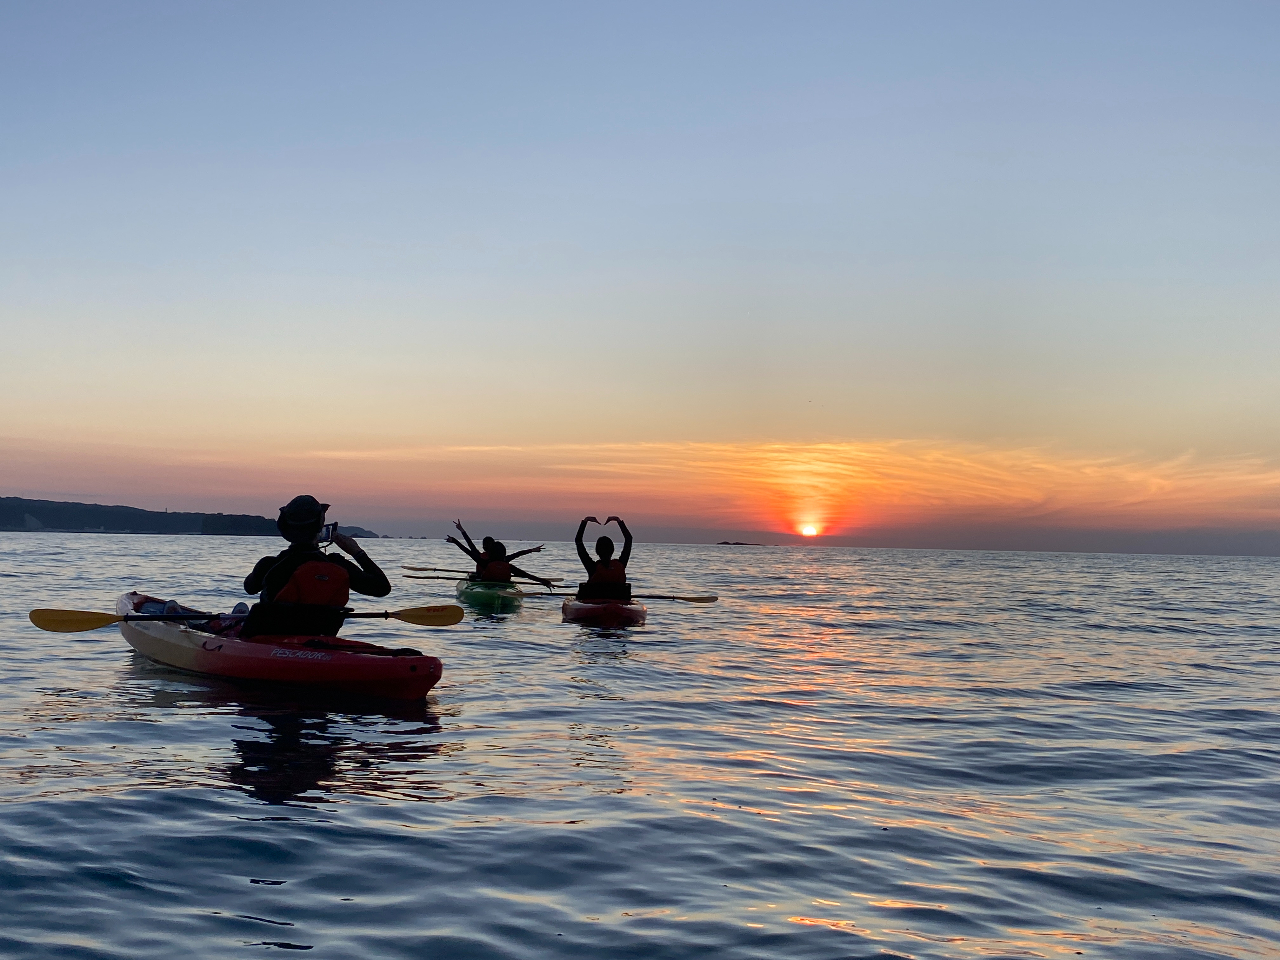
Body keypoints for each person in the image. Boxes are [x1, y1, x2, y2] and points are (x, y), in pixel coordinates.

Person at [241, 495, 391, 639]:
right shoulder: (337, 565)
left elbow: (249, 587)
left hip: (268, 641)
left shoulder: (269, 565)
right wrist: (357, 552)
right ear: (320, 526)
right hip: (317, 641)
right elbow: (382, 588)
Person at [445, 520, 553, 588]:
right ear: (503, 553)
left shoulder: (483, 562)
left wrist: (455, 540)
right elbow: (527, 575)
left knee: (475, 577)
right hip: (503, 586)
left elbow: (468, 549)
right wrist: (544, 582)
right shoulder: (507, 563)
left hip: (485, 585)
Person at [574, 515, 633, 600]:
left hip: (594, 602)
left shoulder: (592, 568)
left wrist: (585, 521)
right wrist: (618, 521)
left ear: (597, 551)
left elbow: (578, 541)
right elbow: (629, 539)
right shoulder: (621, 564)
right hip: (618, 602)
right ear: (612, 550)